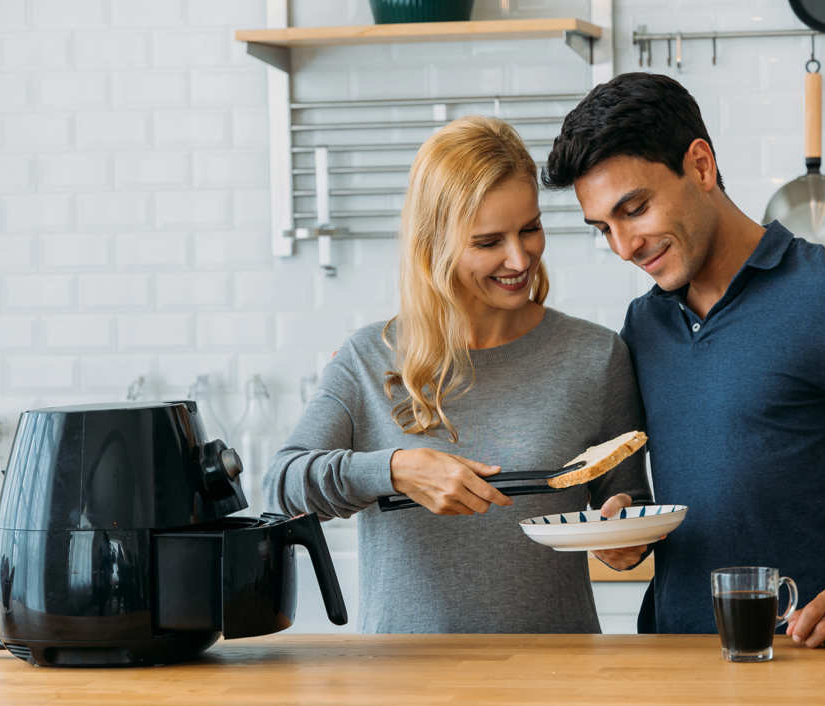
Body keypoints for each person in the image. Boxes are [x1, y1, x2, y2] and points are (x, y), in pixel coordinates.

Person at [542, 73, 825, 647]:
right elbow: (660, 495)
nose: (624, 246)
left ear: (700, 166)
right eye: (604, 228)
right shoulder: (644, 325)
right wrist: (626, 528)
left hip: (813, 663)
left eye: (635, 209)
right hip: (674, 659)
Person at [264, 115, 652, 634]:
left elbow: (629, 506)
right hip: (406, 687)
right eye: (489, 241)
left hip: (559, 682)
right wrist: (395, 469)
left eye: (530, 229)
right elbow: (281, 486)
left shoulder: (595, 355)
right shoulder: (368, 358)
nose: (520, 258)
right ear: (435, 245)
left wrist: (626, 536)